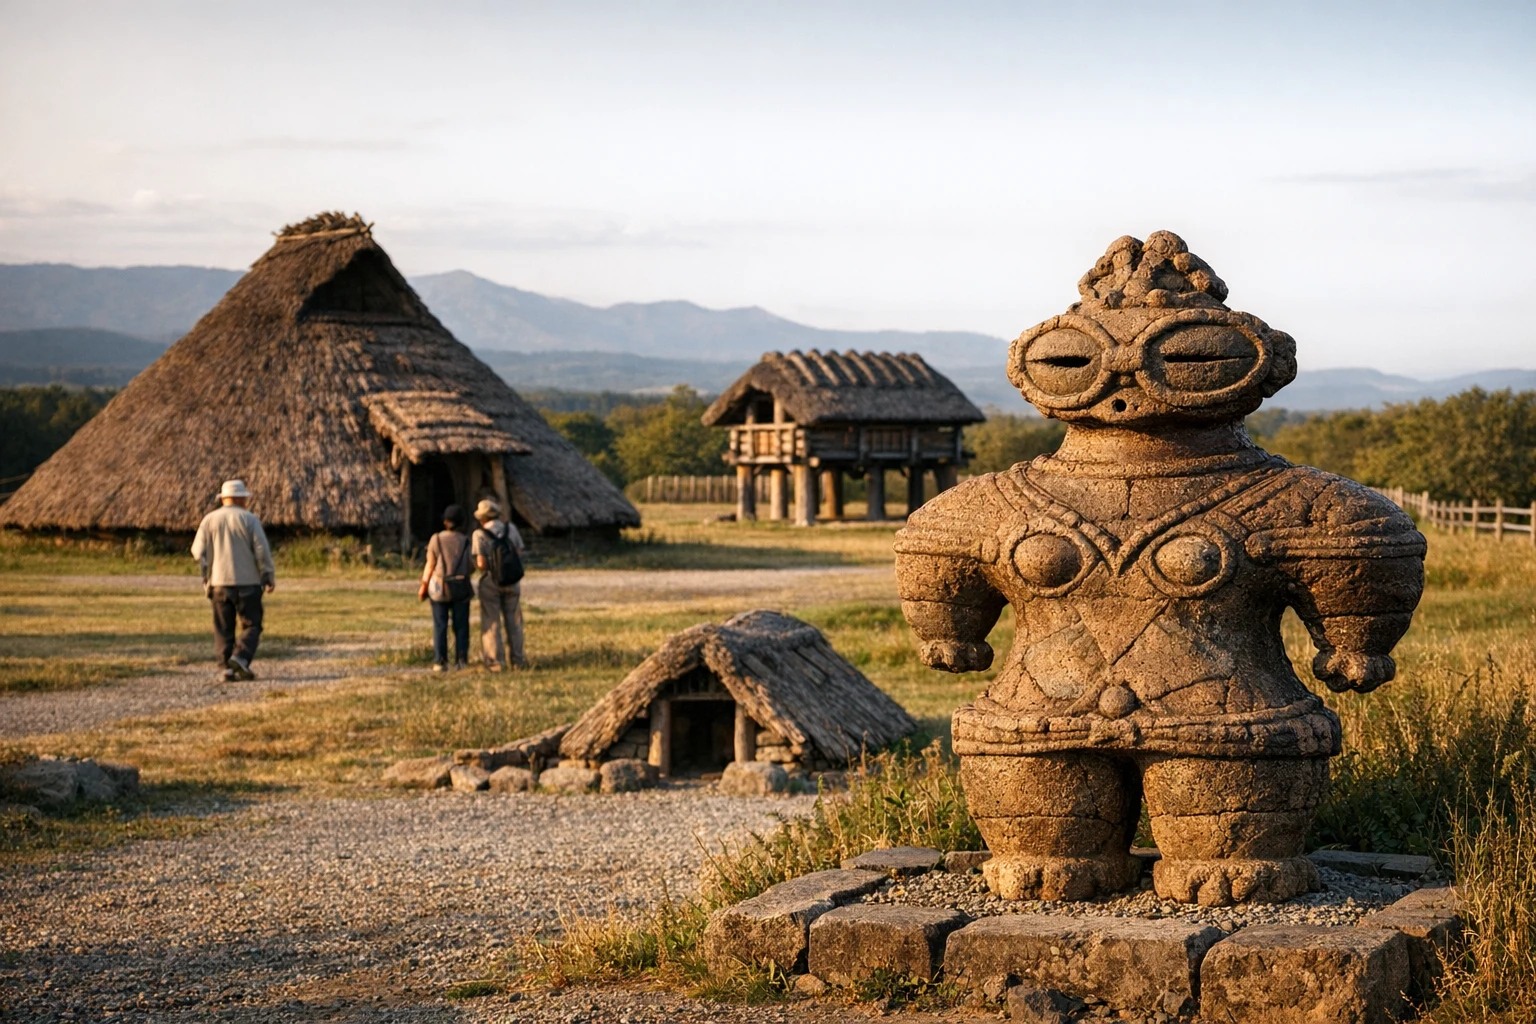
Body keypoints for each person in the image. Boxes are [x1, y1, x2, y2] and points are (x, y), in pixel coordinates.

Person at [191, 479, 275, 682]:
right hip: (248, 582)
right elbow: (262, 550)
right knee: (253, 624)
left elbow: (197, 551)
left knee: (223, 627)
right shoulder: (249, 519)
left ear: (224, 499)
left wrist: (207, 572)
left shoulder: (209, 520)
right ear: (240, 499)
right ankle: (241, 656)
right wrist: (267, 575)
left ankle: (226, 669)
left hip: (219, 582)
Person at [471, 498, 527, 671]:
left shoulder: (479, 534)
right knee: (514, 621)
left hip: (491, 580)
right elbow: (519, 552)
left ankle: (495, 662)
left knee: (492, 621)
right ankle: (518, 660)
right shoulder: (511, 529)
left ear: (482, 518)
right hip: (512, 580)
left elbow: (481, 563)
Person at [417, 504, 473, 672]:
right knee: (461, 625)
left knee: (440, 625)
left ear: (446, 522)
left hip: (439, 588)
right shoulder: (466, 541)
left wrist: (424, 585)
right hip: (461, 587)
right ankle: (461, 660)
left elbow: (430, 564)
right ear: (462, 522)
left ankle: (440, 661)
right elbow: (471, 566)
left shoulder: (436, 539)